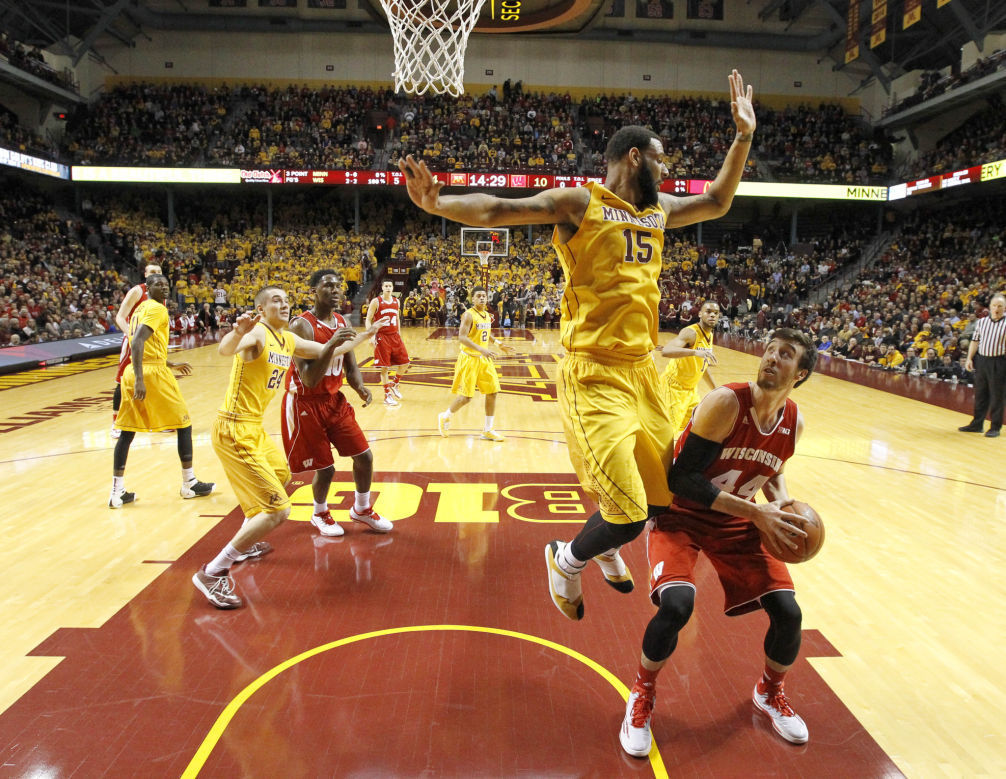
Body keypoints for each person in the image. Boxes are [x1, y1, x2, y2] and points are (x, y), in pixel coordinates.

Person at [400, 68, 761, 620]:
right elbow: (499, 210)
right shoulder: (580, 203)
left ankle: (608, 547)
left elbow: (715, 201)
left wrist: (742, 138)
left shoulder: (658, 210)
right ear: (636, 157)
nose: (667, 170)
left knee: (663, 496)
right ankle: (565, 560)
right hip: (594, 372)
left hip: (645, 372)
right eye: (661, 159)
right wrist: (439, 203)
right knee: (629, 510)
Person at [619, 328, 817, 758]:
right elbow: (681, 480)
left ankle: (770, 693)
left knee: (788, 612)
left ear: (799, 374)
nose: (771, 358)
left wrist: (782, 507)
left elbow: (771, 469)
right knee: (676, 606)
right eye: (768, 350)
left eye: (785, 355)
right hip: (683, 515)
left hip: (738, 521)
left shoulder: (794, 421)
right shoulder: (726, 402)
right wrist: (757, 513)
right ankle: (641, 695)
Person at [192, 285, 383, 610]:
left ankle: (246, 538)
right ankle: (214, 570)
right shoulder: (257, 335)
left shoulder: (288, 340)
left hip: (253, 429)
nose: (283, 304)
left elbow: (331, 350)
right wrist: (236, 333)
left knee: (281, 478)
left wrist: (366, 335)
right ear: (262, 309)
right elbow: (226, 349)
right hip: (234, 429)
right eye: (274, 300)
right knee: (279, 510)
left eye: (285, 299)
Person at [283, 270, 393, 538]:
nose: (335, 290)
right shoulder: (301, 325)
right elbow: (309, 378)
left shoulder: (342, 320)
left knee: (364, 456)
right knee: (326, 467)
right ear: (314, 291)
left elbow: (350, 361)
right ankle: (319, 512)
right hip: (305, 402)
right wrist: (331, 344)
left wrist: (359, 386)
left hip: (333, 400)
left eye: (338, 286)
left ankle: (362, 508)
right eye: (328, 286)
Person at [109, 274, 214, 507]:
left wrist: (168, 362)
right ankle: (189, 483)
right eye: (158, 284)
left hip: (136, 370)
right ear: (148, 288)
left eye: (166, 284)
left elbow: (145, 344)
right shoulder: (156, 309)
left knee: (126, 432)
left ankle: (117, 492)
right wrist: (140, 379)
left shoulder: (140, 309)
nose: (164, 288)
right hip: (149, 374)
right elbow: (137, 342)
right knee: (184, 424)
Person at [436, 287, 514, 441]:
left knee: (492, 392)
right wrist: (481, 349)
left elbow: (486, 333)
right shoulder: (468, 315)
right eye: (478, 296)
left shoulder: (486, 315)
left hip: (484, 359)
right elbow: (462, 337)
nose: (482, 298)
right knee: (466, 398)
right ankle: (445, 416)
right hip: (469, 359)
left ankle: (488, 429)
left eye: (484, 296)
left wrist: (499, 343)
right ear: (473, 299)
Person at [111, 263, 161, 439]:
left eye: (159, 272)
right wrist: (131, 336)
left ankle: (157, 421)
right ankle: (116, 422)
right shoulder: (137, 291)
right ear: (146, 274)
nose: (156, 275)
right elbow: (120, 316)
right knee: (122, 381)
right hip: (134, 342)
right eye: (152, 272)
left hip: (153, 343)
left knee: (155, 379)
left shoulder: (161, 295)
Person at [661, 299, 720, 434]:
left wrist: (716, 390)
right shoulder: (691, 333)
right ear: (700, 314)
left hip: (691, 391)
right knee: (668, 433)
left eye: (716, 313)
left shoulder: (710, 335)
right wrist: (694, 351)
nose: (712, 315)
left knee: (697, 426)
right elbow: (666, 351)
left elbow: (702, 366)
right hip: (674, 388)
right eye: (708, 312)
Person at [958, 293, 1006, 437]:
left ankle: (995, 427)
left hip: (1000, 361)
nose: (996, 309)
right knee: (981, 393)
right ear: (989, 307)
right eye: (994, 306)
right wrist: (969, 359)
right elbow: (975, 341)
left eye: (1000, 306)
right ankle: (977, 424)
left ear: (1005, 308)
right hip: (982, 360)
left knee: (997, 395)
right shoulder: (982, 322)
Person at [365, 280, 411, 407]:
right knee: (385, 368)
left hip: (395, 336)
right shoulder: (376, 301)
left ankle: (395, 384)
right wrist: (371, 335)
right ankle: (387, 395)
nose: (388, 288)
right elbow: (368, 319)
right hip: (382, 337)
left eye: (390, 286)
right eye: (386, 286)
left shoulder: (397, 301)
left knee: (406, 363)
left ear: (392, 288)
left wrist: (400, 334)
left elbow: (397, 318)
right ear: (382, 287)